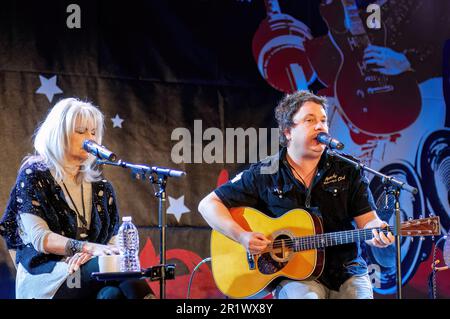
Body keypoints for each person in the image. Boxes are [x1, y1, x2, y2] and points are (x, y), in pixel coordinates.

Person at [198, 90, 395, 299]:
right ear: (287, 132)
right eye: (310, 120)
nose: (320, 126)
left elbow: (369, 221)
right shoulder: (266, 172)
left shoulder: (348, 169)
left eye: (323, 120)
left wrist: (378, 233)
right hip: (295, 278)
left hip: (347, 271)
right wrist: (242, 236)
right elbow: (208, 204)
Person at [0, 98, 153, 299]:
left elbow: (115, 244)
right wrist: (88, 247)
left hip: (92, 273)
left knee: (112, 294)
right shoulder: (34, 175)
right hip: (49, 277)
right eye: (80, 131)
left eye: (93, 132)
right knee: (115, 266)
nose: (89, 138)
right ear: (59, 134)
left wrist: (98, 253)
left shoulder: (102, 188)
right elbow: (40, 238)